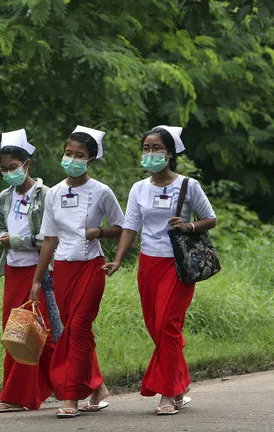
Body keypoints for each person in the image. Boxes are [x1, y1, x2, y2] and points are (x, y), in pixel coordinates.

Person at [102, 125, 217, 415]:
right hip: (148, 263)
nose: (150, 153)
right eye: (147, 148)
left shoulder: (188, 185)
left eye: (156, 148)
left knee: (168, 324)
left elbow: (210, 218)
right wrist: (117, 260)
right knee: (157, 327)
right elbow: (130, 227)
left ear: (170, 153)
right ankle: (180, 383)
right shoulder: (139, 188)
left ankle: (167, 393)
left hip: (178, 265)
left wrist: (189, 226)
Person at [30, 125, 125, 418]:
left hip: (91, 267)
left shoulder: (101, 191)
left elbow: (122, 227)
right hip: (63, 270)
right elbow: (49, 238)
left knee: (79, 329)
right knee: (73, 329)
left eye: (79, 155)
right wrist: (37, 279)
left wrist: (98, 231)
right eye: (68, 153)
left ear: (91, 159)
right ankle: (97, 386)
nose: (72, 158)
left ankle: (70, 394)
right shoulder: (54, 193)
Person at [0, 128, 55, 413]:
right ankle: (35, 390)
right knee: (14, 333)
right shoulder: (4, 196)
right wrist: (3, 236)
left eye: (13, 167)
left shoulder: (45, 195)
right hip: (13, 272)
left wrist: (15, 240)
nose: (8, 173)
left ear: (27, 165)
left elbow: (47, 238)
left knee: (29, 333)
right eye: (4, 169)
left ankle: (17, 397)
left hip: (37, 271)